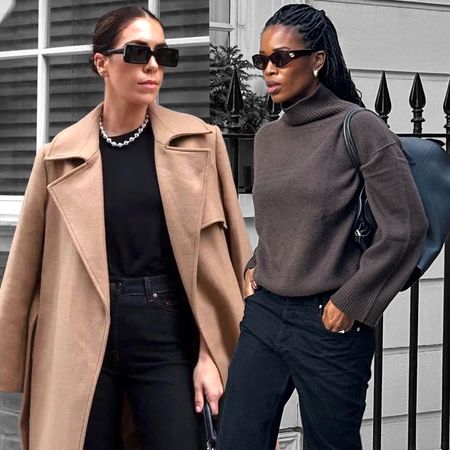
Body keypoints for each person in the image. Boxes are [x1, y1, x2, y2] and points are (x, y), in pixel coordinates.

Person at [0, 6, 251, 450]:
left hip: (166, 333)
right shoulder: (57, 157)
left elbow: (227, 264)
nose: (153, 65)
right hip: (79, 335)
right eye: (137, 52)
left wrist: (211, 355)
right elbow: (23, 271)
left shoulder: (200, 142)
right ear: (101, 63)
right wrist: (12, 359)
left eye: (162, 54)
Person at [216, 4, 428, 450]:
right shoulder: (268, 136)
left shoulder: (359, 127)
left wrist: (351, 301)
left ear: (317, 59)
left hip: (329, 323)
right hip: (266, 314)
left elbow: (406, 227)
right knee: (236, 439)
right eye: (262, 61)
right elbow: (283, 216)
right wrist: (255, 267)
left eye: (282, 58)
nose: (269, 70)